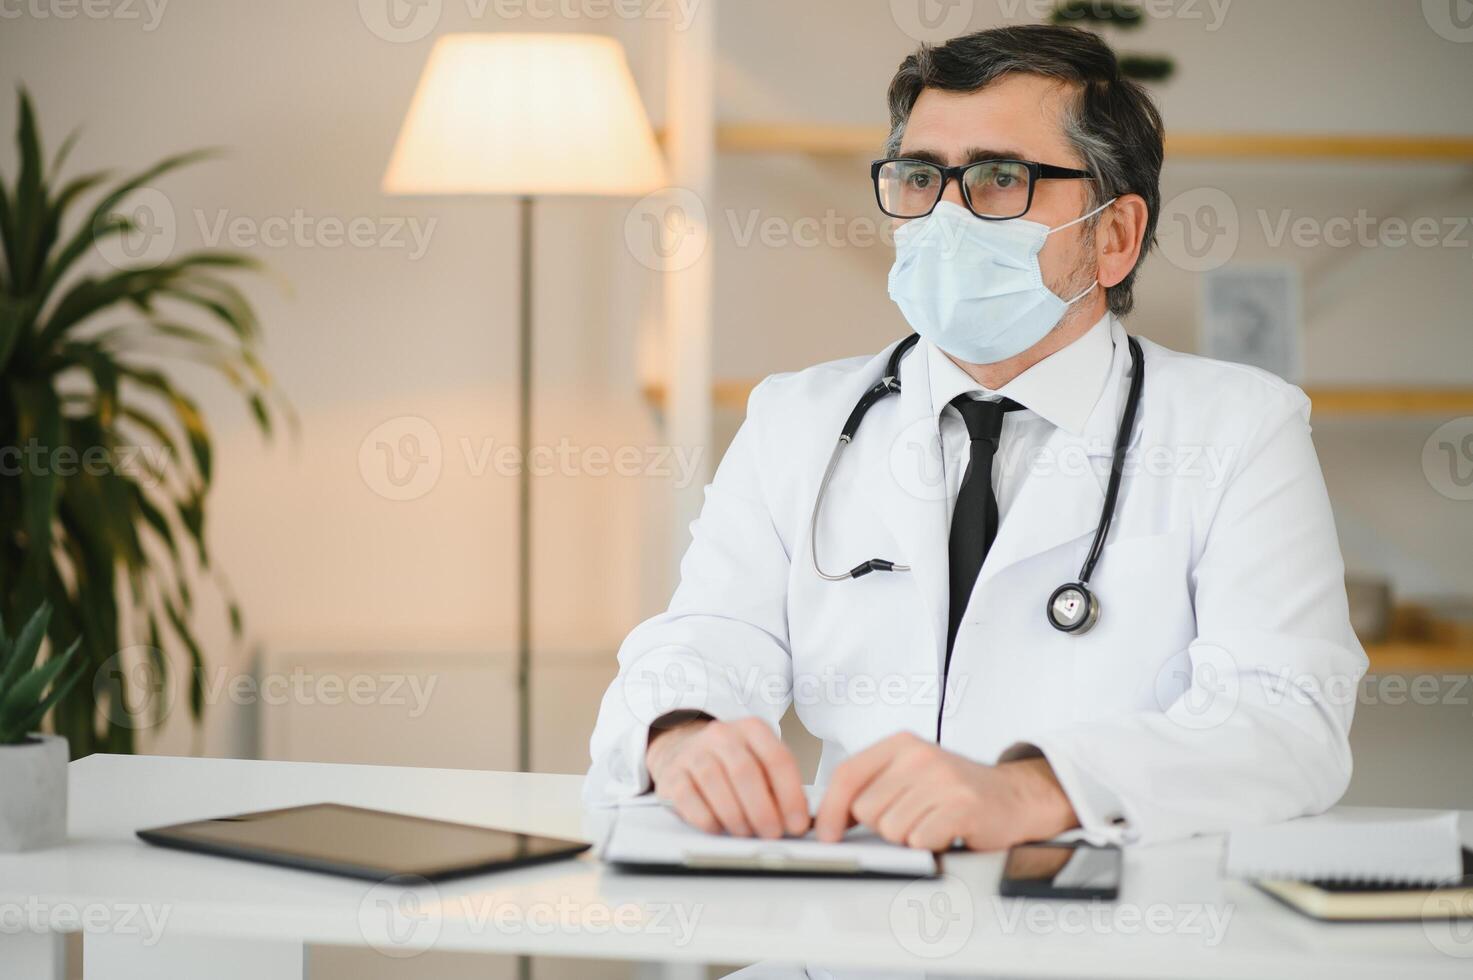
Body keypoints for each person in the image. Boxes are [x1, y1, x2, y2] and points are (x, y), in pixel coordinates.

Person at [585, 24, 1366, 853]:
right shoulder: (796, 420)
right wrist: (680, 732)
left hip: (1105, 940)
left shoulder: (1237, 429)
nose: (945, 215)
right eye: (921, 177)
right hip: (845, 940)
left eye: (999, 179)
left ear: (1114, 237)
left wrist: (1035, 790)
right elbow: (708, 636)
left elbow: (1287, 721)